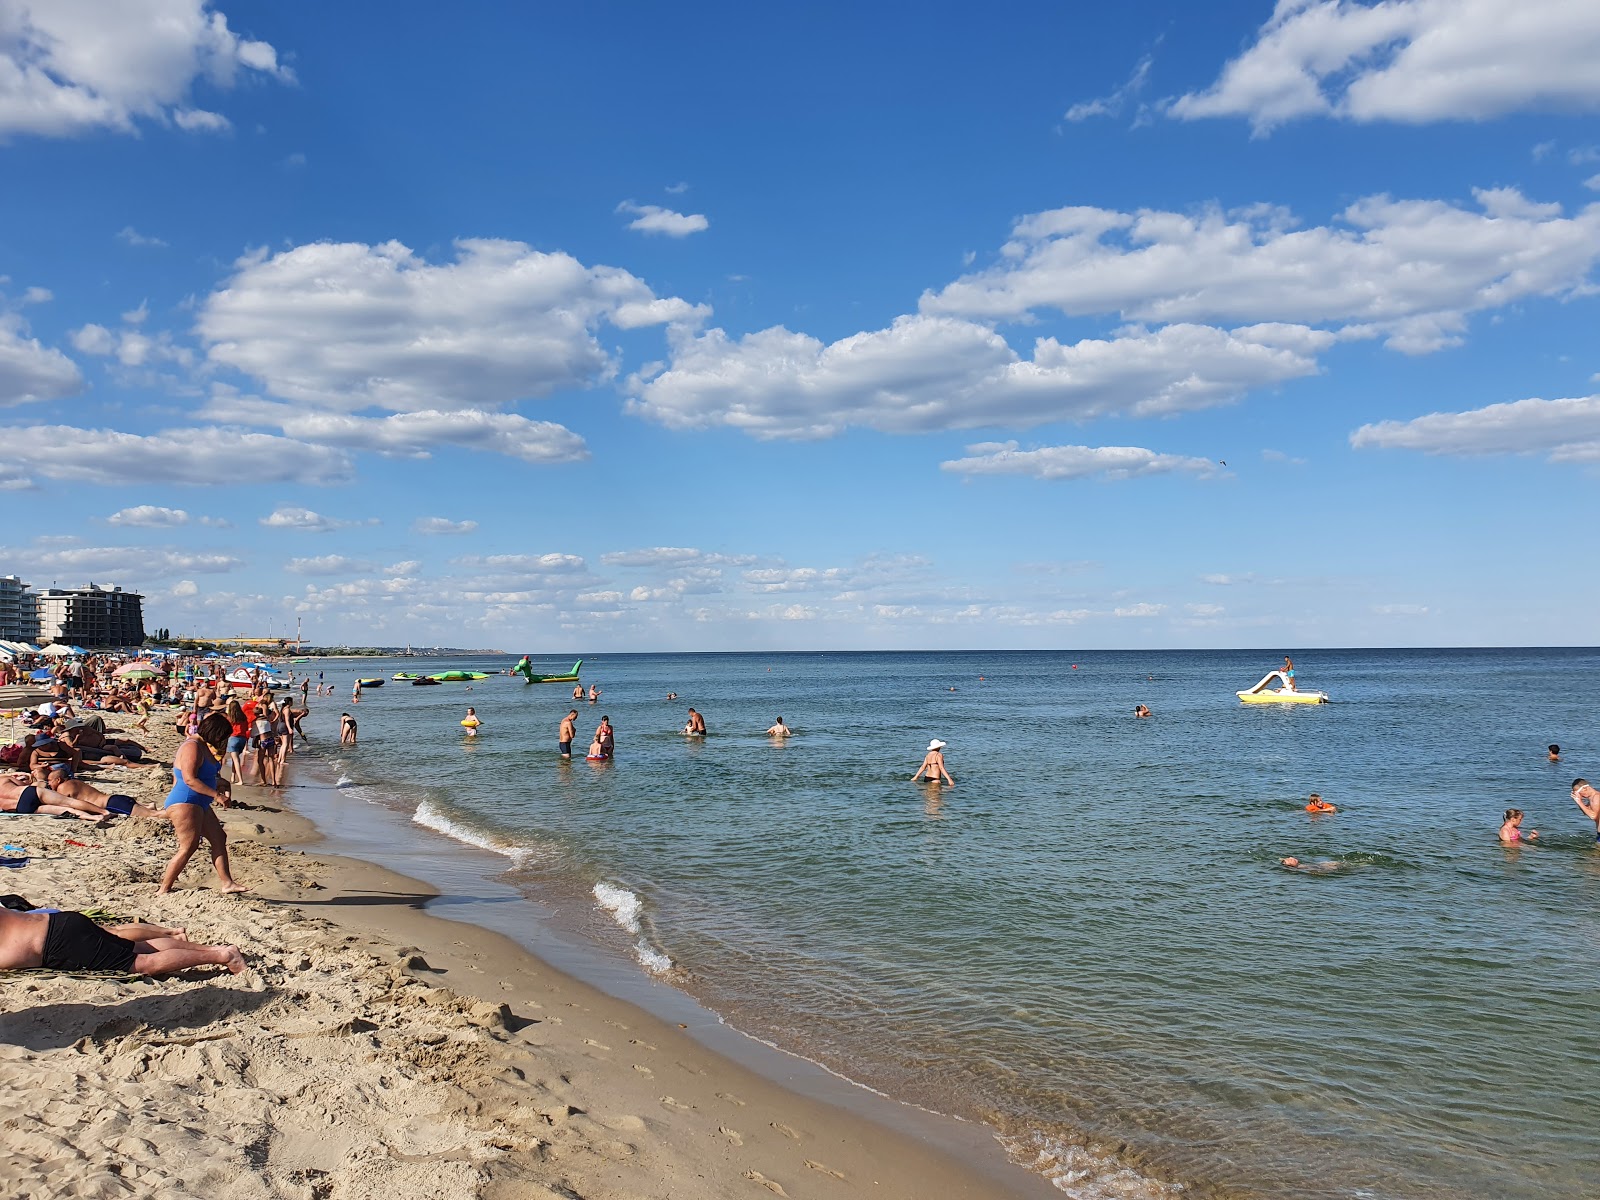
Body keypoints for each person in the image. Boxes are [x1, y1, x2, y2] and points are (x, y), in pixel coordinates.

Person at [0, 907, 245, 975]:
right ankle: (217, 949)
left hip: (54, 943)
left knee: (141, 963)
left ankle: (222, 956)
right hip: (59, 921)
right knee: (139, 947)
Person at [158, 712, 248, 895]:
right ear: (215, 732)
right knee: (188, 847)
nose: (223, 740)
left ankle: (227, 883)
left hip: (199, 802)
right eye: (222, 736)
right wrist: (217, 795)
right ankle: (163, 889)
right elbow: (189, 779)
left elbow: (206, 775)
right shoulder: (192, 746)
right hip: (186, 801)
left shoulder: (202, 746)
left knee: (218, 838)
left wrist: (221, 783)